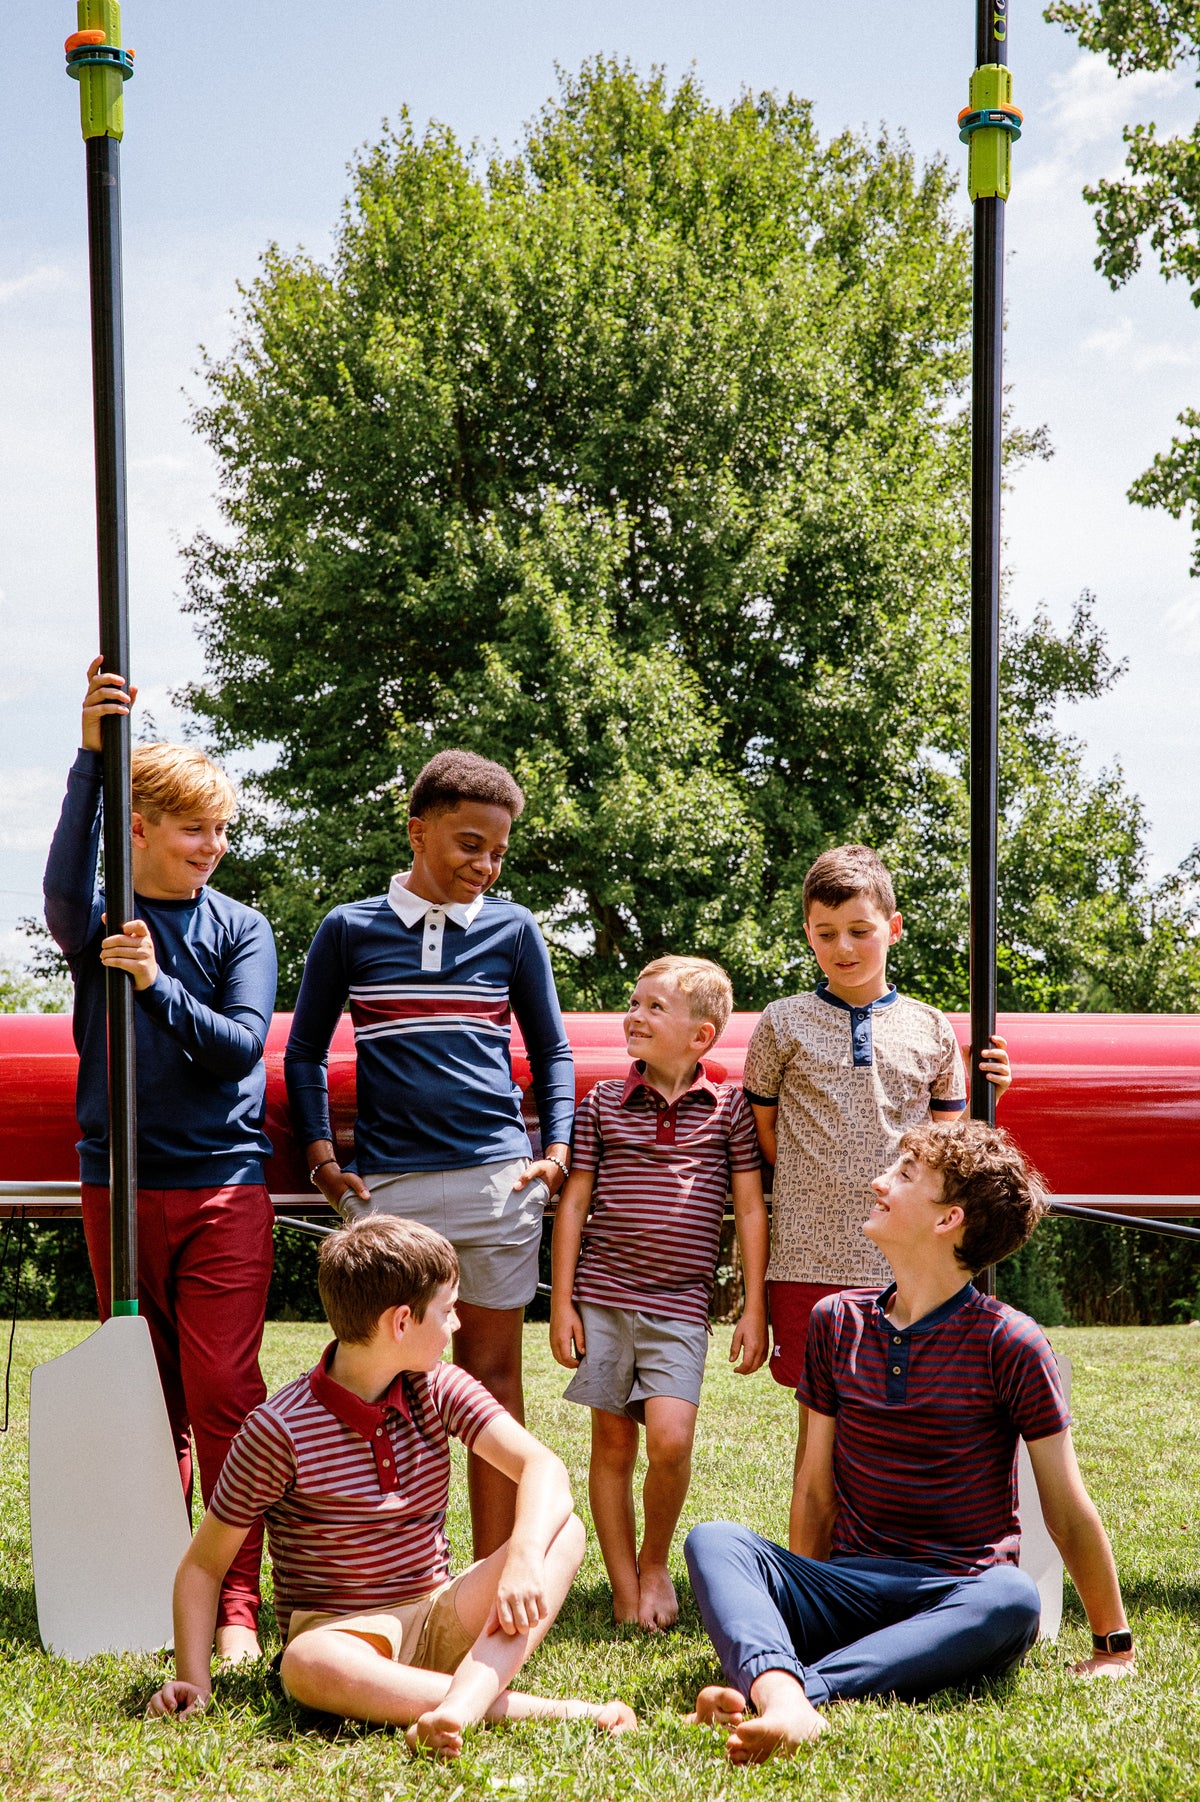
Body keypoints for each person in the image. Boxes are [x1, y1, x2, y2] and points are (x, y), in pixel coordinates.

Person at [684, 1119, 1135, 1763]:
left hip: (954, 1595)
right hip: (848, 1584)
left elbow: (1065, 1506)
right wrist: (803, 1595)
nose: (879, 1182)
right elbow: (813, 1487)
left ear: (949, 1219)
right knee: (716, 1541)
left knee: (1012, 1598)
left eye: (904, 1175)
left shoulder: (1010, 1342)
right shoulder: (835, 1321)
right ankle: (785, 1686)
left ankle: (788, 1695)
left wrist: (1110, 1645)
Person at [146, 1216, 637, 1755]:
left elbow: (544, 1468)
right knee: (305, 1665)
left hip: (440, 1610)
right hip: (342, 1639)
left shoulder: (439, 1386)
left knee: (561, 1532)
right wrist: (194, 1681)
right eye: (449, 1311)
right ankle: (540, 1711)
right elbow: (202, 1567)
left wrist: (520, 1556)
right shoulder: (277, 1430)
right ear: (402, 1321)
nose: (456, 1327)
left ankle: (457, 1708)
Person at [44, 658, 278, 1660]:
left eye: (222, 831)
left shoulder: (242, 927)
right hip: (120, 1182)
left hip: (224, 1183)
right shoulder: (95, 921)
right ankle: (148, 1580)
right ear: (137, 827)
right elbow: (63, 877)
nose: (213, 848)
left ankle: (232, 1600)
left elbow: (238, 1043)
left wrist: (154, 987)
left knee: (224, 1387)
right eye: (194, 829)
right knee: (148, 1397)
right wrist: (93, 757)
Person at [284, 749, 574, 1559]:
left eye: (498, 852)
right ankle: (395, 1574)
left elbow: (551, 1051)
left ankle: (492, 1578)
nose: (485, 864)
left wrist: (554, 1151)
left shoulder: (516, 930)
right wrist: (320, 1159)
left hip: (497, 1182)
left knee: (491, 1383)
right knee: (386, 1387)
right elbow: (303, 1051)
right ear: (418, 832)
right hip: (392, 1196)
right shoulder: (348, 928)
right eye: (468, 844)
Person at [742, 843, 1012, 1407]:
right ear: (808, 933)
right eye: (826, 932)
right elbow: (766, 1138)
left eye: (859, 930)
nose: (843, 946)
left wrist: (993, 1096)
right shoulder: (781, 1021)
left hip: (904, 1259)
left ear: (893, 928)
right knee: (819, 1416)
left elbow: (946, 1147)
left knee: (902, 1406)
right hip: (804, 1256)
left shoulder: (930, 1026)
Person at [550, 956, 769, 1631]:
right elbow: (575, 1202)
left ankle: (654, 1563)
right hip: (606, 1295)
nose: (634, 1016)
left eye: (653, 1008)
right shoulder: (602, 1105)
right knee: (613, 1446)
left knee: (670, 1441)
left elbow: (751, 1209)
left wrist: (754, 1305)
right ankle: (623, 1585)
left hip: (681, 1304)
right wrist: (561, 1302)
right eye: (634, 1003)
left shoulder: (728, 1110)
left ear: (701, 1035)